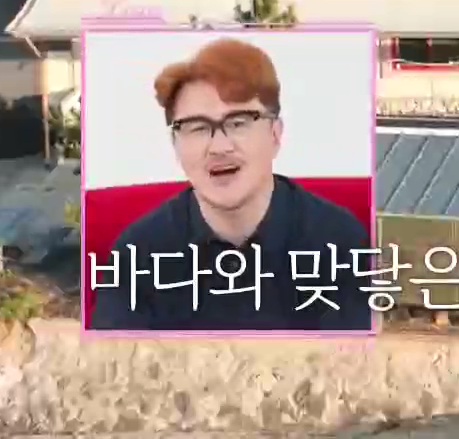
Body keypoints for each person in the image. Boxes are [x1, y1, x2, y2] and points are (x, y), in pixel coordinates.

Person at [89, 38, 373, 332]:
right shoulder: (139, 252)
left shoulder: (339, 240)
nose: (219, 147)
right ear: (175, 144)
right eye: (198, 128)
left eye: (238, 123)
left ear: (275, 134)